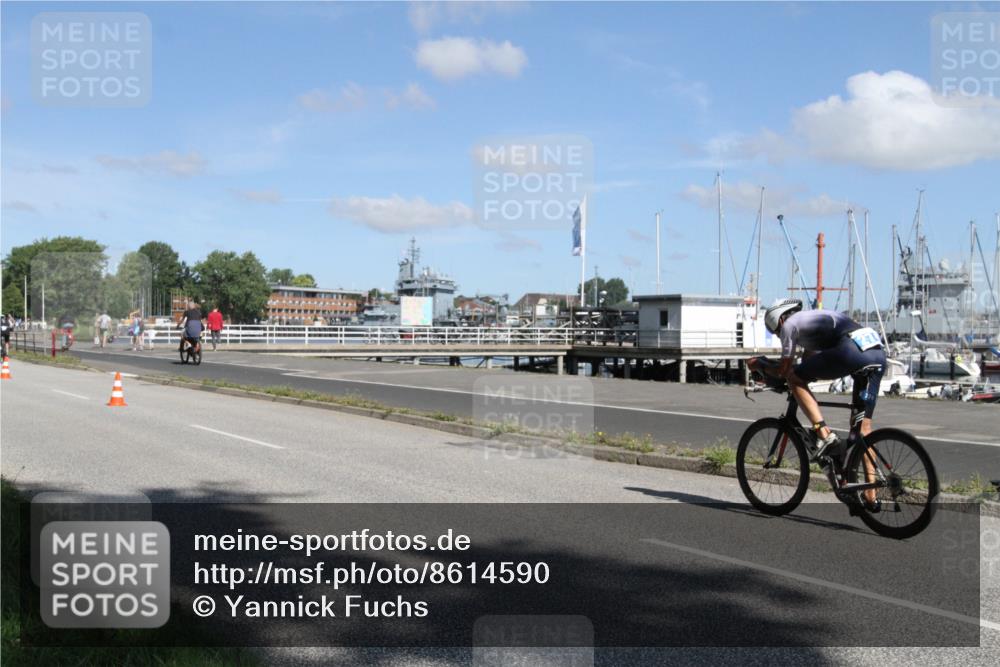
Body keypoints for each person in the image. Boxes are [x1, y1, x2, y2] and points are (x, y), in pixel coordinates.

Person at [748, 298, 887, 466]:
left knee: (793, 377)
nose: (778, 336)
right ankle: (870, 491)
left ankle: (824, 434)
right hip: (877, 354)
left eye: (775, 331)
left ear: (780, 320)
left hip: (852, 352)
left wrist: (760, 364)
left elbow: (786, 371)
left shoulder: (789, 325)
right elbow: (807, 365)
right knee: (863, 431)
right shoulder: (811, 322)